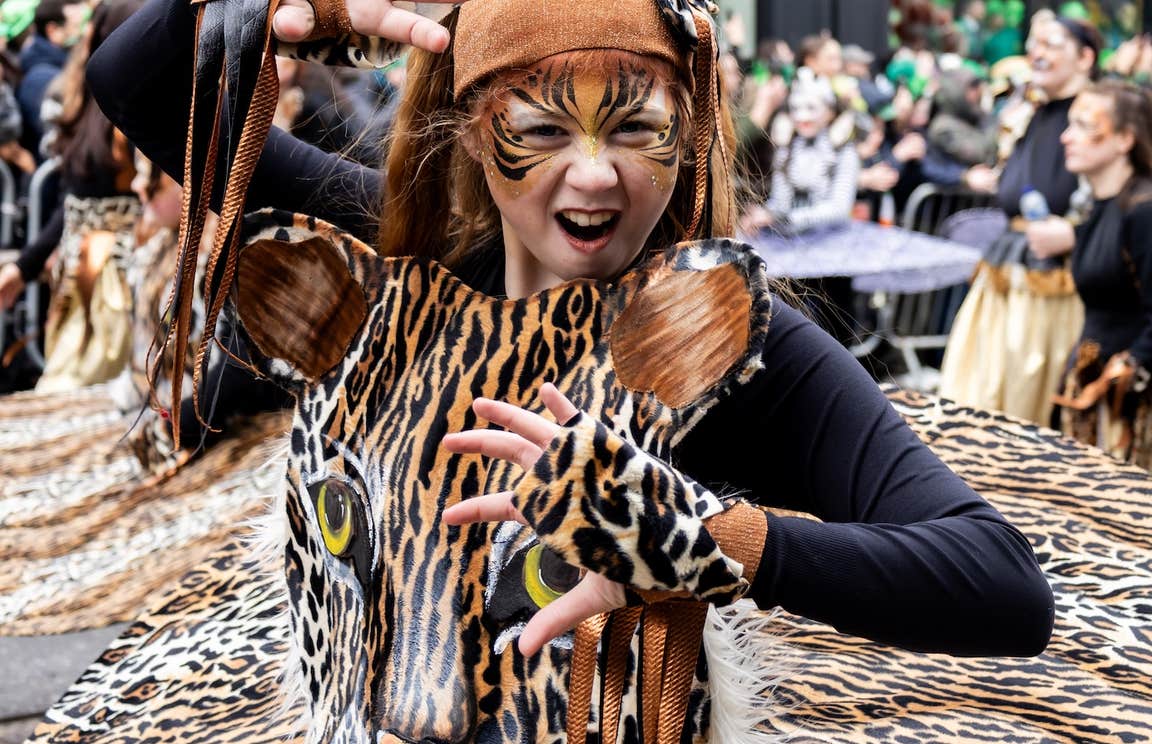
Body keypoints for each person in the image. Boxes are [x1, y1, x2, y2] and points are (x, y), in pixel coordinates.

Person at [87, 0, 1053, 738]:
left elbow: (1002, 582)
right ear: (475, 129)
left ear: (689, 130)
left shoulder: (720, 334)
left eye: (635, 128)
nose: (593, 174)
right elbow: (135, 80)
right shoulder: (406, 259)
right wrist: (296, 8)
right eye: (541, 130)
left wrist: (707, 539)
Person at [940, 14, 1100, 425]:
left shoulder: (1102, 116)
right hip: (1009, 265)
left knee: (1034, 410)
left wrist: (1077, 234)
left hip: (1061, 283)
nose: (1036, 54)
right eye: (1033, 45)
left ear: (1085, 58)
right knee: (978, 397)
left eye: (1051, 45)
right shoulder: (1028, 109)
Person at [0, 0, 144, 393]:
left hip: (127, 281)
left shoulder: (130, 110)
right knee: (81, 387)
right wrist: (24, 267)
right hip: (94, 277)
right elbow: (72, 203)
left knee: (108, 392)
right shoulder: (87, 105)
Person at [1054, 81, 1152, 469]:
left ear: (1125, 139)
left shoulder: (1144, 211)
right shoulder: (1100, 206)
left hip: (1130, 413)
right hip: (1095, 394)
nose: (1066, 137)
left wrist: (1124, 374)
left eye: (1083, 125)